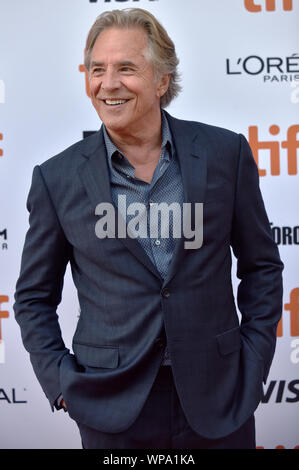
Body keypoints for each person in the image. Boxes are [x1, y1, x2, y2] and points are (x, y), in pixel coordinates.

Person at [14, 8, 283, 449]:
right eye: (96, 69)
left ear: (162, 80)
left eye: (126, 68)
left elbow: (262, 268)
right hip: (110, 407)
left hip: (219, 398)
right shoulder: (56, 178)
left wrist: (252, 366)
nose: (108, 83)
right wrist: (62, 384)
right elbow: (32, 297)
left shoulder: (225, 154)